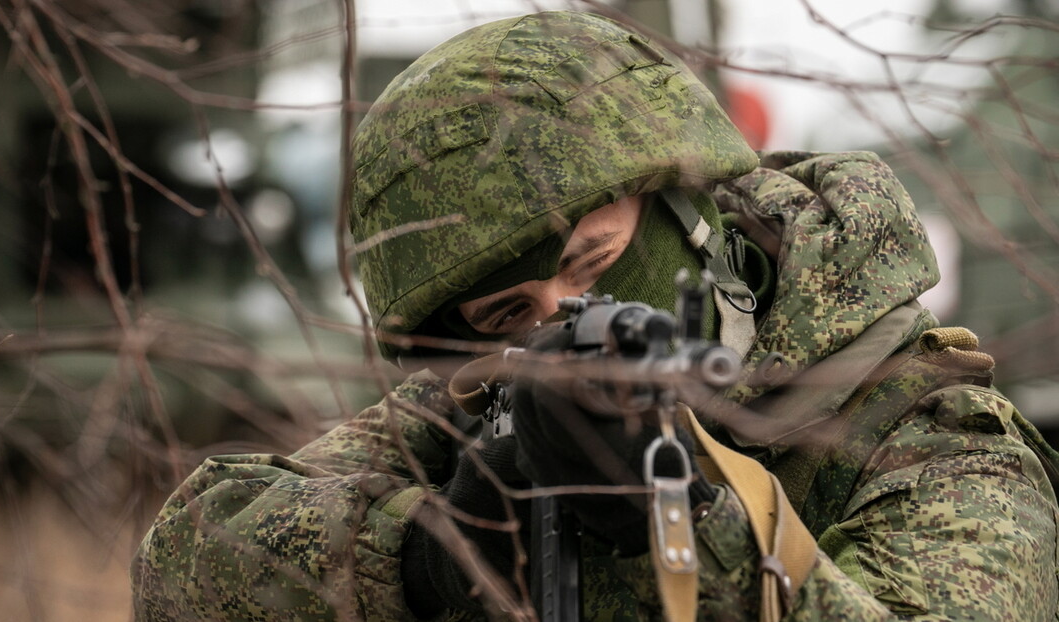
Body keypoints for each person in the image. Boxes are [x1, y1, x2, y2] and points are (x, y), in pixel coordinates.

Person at [131, 10, 1059, 621]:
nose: (564, 320)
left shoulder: (933, 440)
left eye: (593, 260)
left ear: (699, 215)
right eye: (510, 312)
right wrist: (442, 550)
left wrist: (681, 526)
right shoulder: (481, 413)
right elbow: (184, 567)